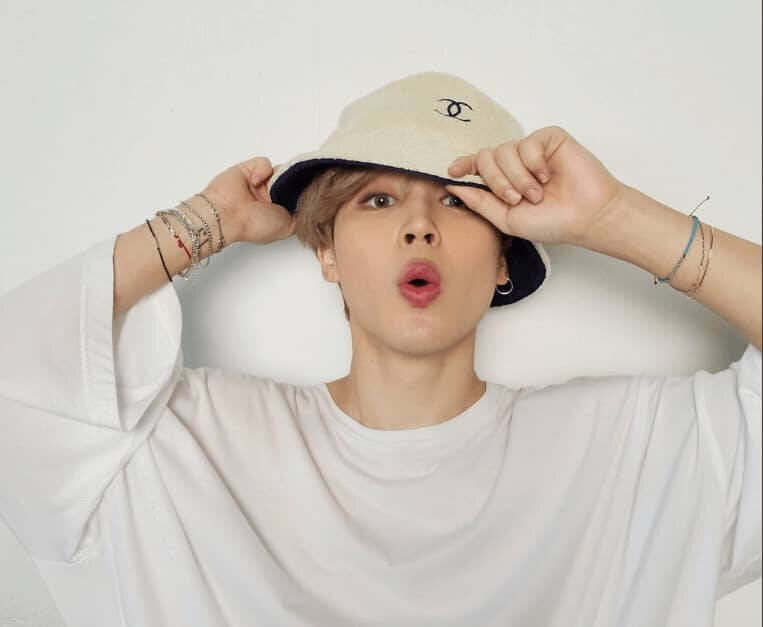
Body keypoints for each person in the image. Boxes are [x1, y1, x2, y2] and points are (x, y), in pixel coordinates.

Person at [0, 71, 760, 627]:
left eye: (457, 201)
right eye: (378, 198)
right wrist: (207, 221)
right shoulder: (191, 447)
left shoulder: (630, 447)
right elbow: (20, 370)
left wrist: (614, 216)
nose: (419, 226)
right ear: (325, 250)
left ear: (505, 260)